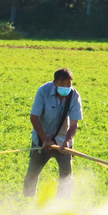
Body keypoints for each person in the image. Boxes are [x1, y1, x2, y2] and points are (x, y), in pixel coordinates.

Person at [23, 67, 83, 198]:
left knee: (66, 176)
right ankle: (27, 200)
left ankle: (62, 202)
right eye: (62, 83)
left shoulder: (74, 96)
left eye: (68, 84)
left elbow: (74, 124)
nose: (66, 87)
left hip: (63, 141)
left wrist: (67, 141)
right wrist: (44, 139)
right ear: (55, 83)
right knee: (32, 174)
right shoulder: (43, 91)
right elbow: (34, 117)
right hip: (41, 141)